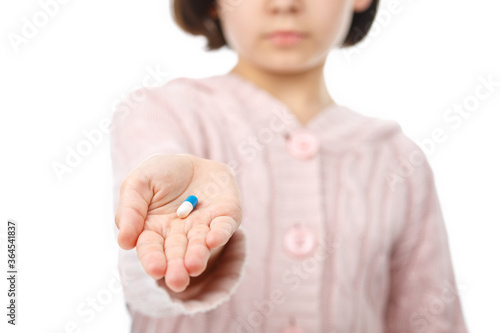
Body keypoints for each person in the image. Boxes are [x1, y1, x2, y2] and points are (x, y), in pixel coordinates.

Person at [109, 0, 469, 332]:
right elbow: (146, 284)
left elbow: (432, 320)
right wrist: (198, 251)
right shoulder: (164, 116)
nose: (284, 5)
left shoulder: (397, 160)